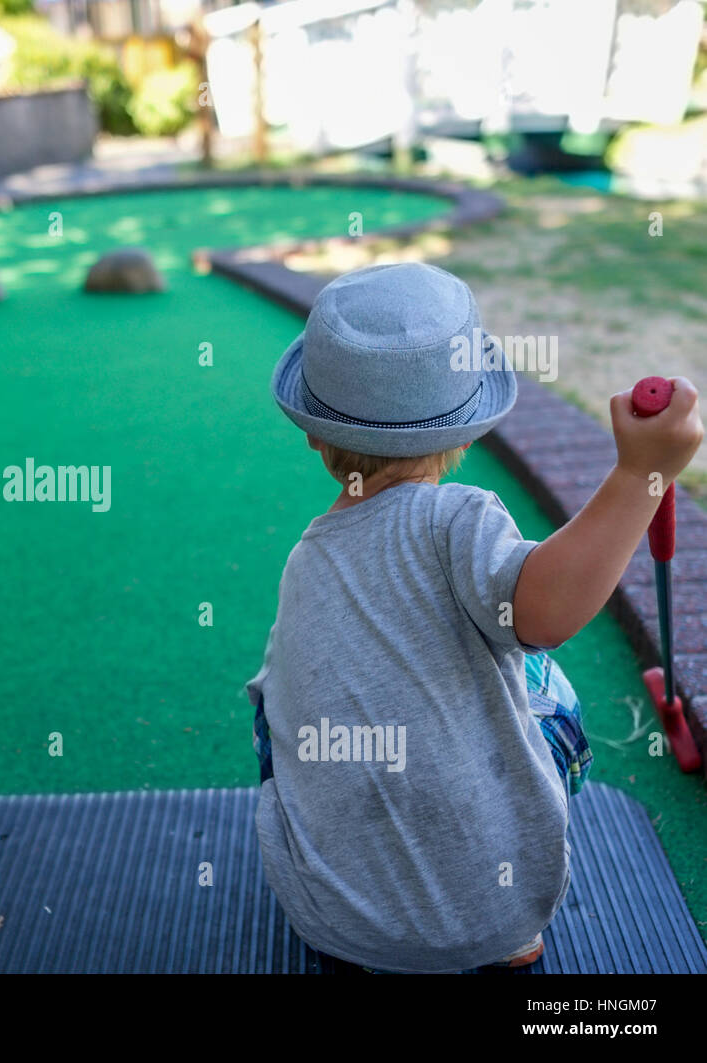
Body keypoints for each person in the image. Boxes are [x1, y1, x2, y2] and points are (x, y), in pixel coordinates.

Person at [246, 262, 702, 973]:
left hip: (333, 920)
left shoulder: (307, 557)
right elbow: (549, 612)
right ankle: (515, 938)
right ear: (466, 427)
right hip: (491, 912)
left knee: (277, 696)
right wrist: (641, 474)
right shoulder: (459, 519)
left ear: (314, 433)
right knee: (541, 673)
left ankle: (360, 899)